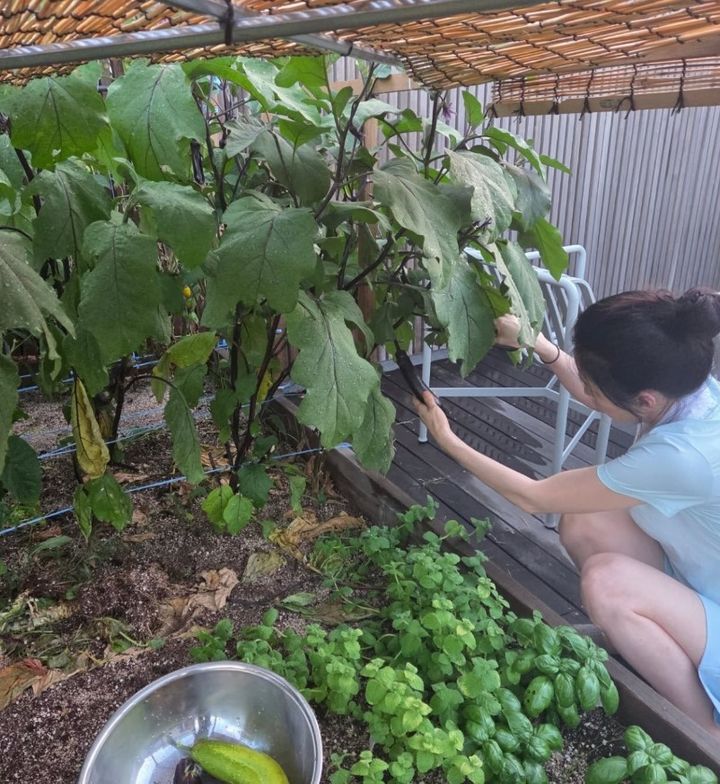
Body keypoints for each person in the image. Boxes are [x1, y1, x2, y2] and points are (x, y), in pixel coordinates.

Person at [415, 288, 720, 737]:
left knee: (607, 583)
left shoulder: (684, 455)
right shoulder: (685, 387)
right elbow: (600, 392)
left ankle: (703, 731)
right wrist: (536, 343)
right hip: (697, 575)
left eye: (595, 388)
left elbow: (534, 497)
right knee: (584, 518)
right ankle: (643, 641)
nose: (588, 394)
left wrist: (449, 441)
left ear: (646, 401)